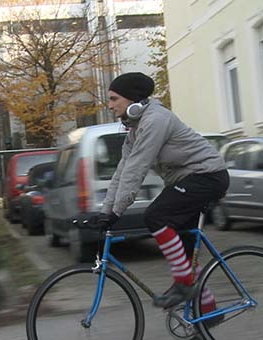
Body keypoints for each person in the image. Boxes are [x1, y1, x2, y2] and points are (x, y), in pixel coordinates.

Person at [90, 72, 229, 313]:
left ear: (132, 100)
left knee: (156, 216)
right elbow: (122, 171)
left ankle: (185, 285)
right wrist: (105, 211)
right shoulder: (135, 129)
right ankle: (208, 313)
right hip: (189, 180)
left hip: (208, 176)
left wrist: (116, 212)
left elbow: (138, 167)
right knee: (185, 250)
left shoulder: (155, 120)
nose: (110, 105)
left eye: (114, 99)